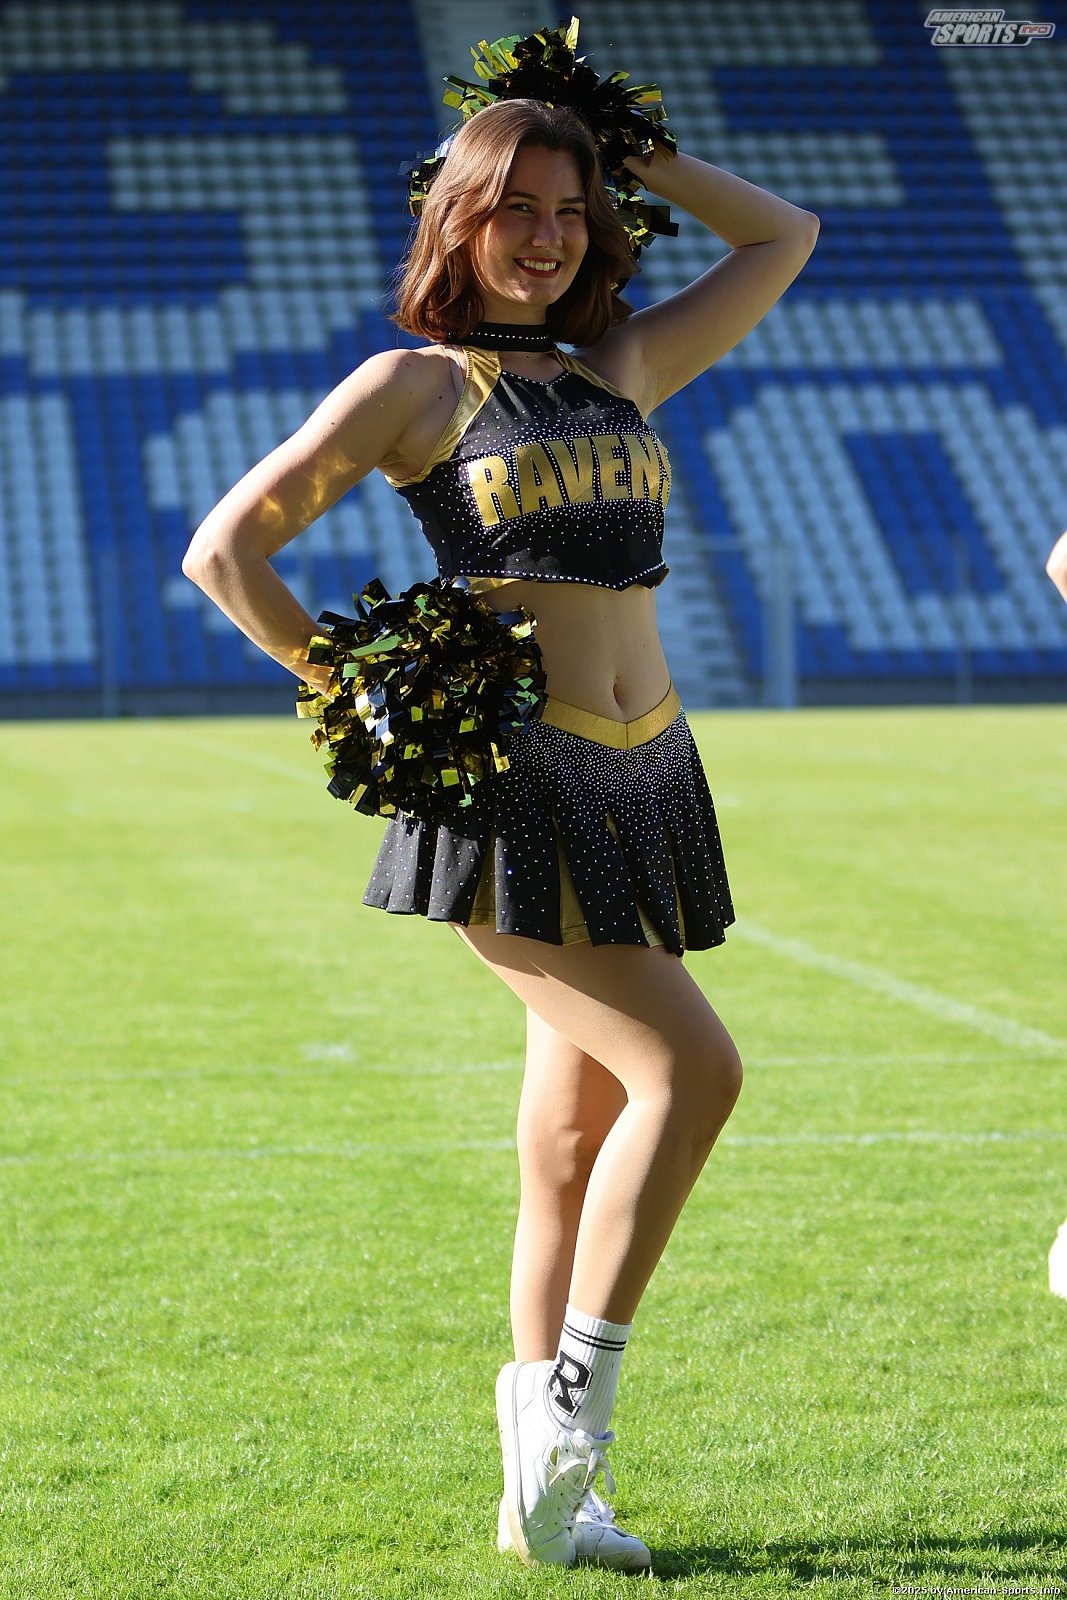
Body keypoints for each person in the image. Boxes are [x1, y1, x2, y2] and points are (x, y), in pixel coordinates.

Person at [183, 80, 819, 1572]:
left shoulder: (621, 366)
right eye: (514, 208)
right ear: (457, 220)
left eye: (570, 209)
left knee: (570, 1142)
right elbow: (229, 549)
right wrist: (362, 691)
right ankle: (575, 1423)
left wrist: (632, 146)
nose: (546, 236)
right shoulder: (416, 387)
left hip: (647, 775)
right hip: (516, 785)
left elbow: (782, 236)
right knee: (694, 1072)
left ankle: (545, 1497)